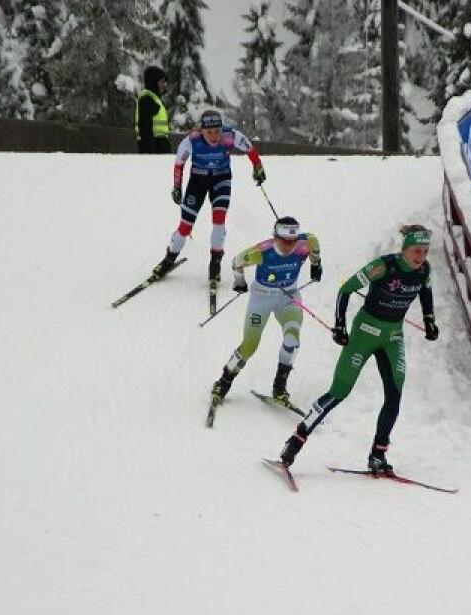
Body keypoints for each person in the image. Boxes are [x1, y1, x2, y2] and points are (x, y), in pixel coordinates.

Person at [277, 224, 439, 473]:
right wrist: (339, 326)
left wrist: (429, 320)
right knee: (339, 391)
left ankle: (378, 455)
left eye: (425, 251)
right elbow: (346, 289)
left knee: (395, 394)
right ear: (405, 249)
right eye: (417, 250)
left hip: (393, 336)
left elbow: (426, 291)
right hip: (365, 333)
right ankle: (295, 442)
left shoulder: (423, 269)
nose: (421, 256)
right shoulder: (384, 266)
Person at [210, 216, 322, 406]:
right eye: (284, 241)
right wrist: (239, 282)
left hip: (289, 297)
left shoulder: (306, 242)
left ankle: (279, 388)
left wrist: (316, 265)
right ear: (275, 237)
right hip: (261, 298)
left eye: (293, 242)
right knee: (250, 344)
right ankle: (224, 382)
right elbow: (236, 262)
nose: (289, 246)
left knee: (292, 339)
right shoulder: (262, 251)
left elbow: (314, 245)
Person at [152, 109, 267, 285]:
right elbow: (179, 164)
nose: (214, 136)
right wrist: (177, 186)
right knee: (185, 226)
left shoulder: (230, 136)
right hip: (198, 181)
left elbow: (250, 148)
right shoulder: (192, 140)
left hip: (221, 179)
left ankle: (215, 262)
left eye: (217, 131)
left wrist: (258, 168)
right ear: (201, 130)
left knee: (219, 220)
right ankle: (169, 259)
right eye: (209, 132)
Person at [135, 66, 170, 154]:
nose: (164, 85)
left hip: (159, 145)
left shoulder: (155, 99)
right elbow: (145, 127)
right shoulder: (147, 99)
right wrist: (150, 151)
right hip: (153, 146)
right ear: (154, 82)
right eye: (161, 81)